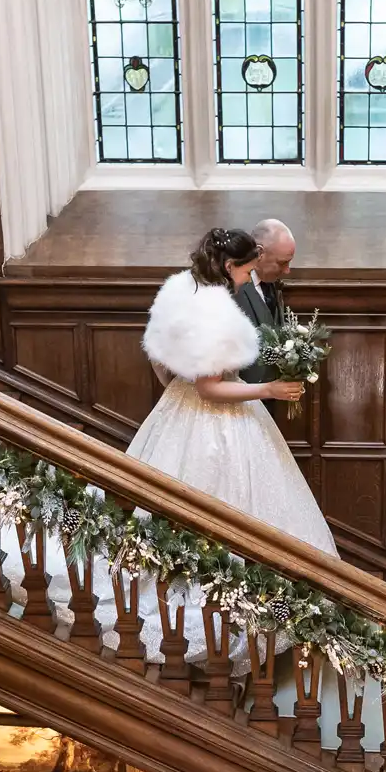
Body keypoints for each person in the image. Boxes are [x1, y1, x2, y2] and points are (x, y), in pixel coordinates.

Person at [127, 227, 336, 556]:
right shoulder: (215, 314)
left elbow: (158, 355)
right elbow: (209, 389)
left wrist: (179, 392)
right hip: (215, 421)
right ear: (229, 267)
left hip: (179, 408)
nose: (249, 277)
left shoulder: (184, 290)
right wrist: (269, 389)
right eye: (248, 270)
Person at [234, 218, 294, 386]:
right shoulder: (233, 288)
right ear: (259, 253)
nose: (287, 270)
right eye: (282, 263)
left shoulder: (272, 284)